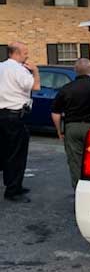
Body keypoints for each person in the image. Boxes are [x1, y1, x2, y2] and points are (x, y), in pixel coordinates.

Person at [51, 59, 90, 189]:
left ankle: (79, 190)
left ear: (75, 71)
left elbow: (56, 113)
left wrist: (59, 131)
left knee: (75, 162)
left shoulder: (66, 88)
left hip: (72, 127)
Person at [0, 42, 40, 202]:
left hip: (1, 114)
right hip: (15, 116)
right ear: (15, 53)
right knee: (17, 154)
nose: (27, 56)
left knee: (5, 153)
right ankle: (13, 190)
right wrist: (35, 71)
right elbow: (36, 86)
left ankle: (12, 183)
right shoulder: (19, 70)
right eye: (25, 52)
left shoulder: (1, 67)